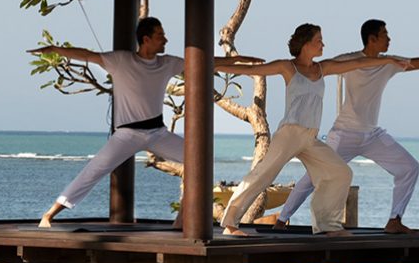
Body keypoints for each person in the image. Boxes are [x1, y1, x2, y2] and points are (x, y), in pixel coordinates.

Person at [30, 17, 259, 228]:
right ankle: (49, 215)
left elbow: (207, 63)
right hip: (127, 135)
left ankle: (181, 219)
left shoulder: (167, 63)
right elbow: (86, 55)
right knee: (93, 171)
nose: (166, 39)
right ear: (146, 39)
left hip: (157, 133)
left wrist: (239, 61)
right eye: (160, 35)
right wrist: (54, 50)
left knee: (198, 160)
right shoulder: (120, 61)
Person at [275, 19, 419, 234]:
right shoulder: (349, 60)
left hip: (372, 135)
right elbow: (315, 67)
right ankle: (282, 220)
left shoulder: (389, 63)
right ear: (372, 39)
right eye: (385, 35)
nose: (389, 39)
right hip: (344, 134)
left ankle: (394, 220)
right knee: (313, 176)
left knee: (409, 168)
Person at [214, 23, 410, 237]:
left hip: (310, 137)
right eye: (319, 40)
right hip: (289, 134)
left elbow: (358, 62)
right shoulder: (288, 67)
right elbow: (251, 71)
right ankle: (230, 224)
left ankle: (327, 226)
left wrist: (388, 60)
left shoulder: (321, 68)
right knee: (262, 176)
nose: (323, 44)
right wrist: (212, 65)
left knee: (340, 173)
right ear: (306, 44)